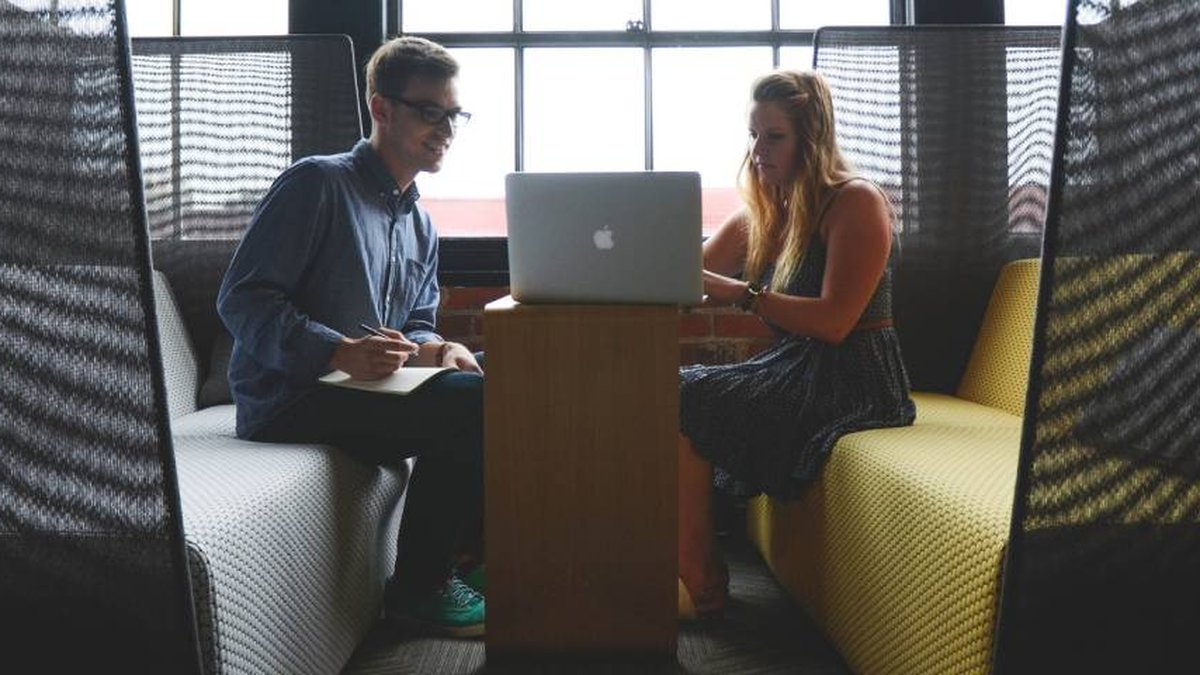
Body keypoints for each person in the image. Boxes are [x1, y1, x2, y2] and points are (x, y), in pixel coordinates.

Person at [217, 36, 486, 638]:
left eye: (454, 114)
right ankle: (419, 590)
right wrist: (337, 351)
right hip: (292, 396)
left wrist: (438, 349)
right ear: (381, 108)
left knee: (501, 376)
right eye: (429, 111)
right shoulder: (316, 184)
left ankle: (473, 556)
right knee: (476, 405)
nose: (446, 129)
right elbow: (242, 298)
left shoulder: (419, 222)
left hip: (369, 391)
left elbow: (416, 321)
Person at [676, 70, 916, 619]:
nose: (757, 150)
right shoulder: (764, 211)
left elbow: (835, 322)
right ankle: (695, 565)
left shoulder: (854, 202)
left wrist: (744, 295)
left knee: (686, 396)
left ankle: (699, 574)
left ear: (811, 138)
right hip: (795, 367)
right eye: (753, 135)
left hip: (856, 376)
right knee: (675, 390)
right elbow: (686, 276)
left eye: (773, 136)